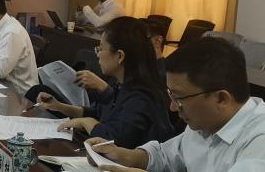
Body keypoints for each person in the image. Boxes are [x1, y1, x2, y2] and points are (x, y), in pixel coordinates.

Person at [90, 37, 265, 172]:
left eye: (179, 98)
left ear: (221, 99)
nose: (173, 107)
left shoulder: (262, 135)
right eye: (171, 95)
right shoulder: (205, 121)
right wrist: (124, 155)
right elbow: (166, 156)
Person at [32, 17, 175, 148]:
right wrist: (59, 106)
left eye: (100, 48)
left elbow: (115, 140)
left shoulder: (141, 95)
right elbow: (99, 113)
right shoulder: (125, 84)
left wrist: (86, 122)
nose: (98, 54)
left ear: (120, 56)